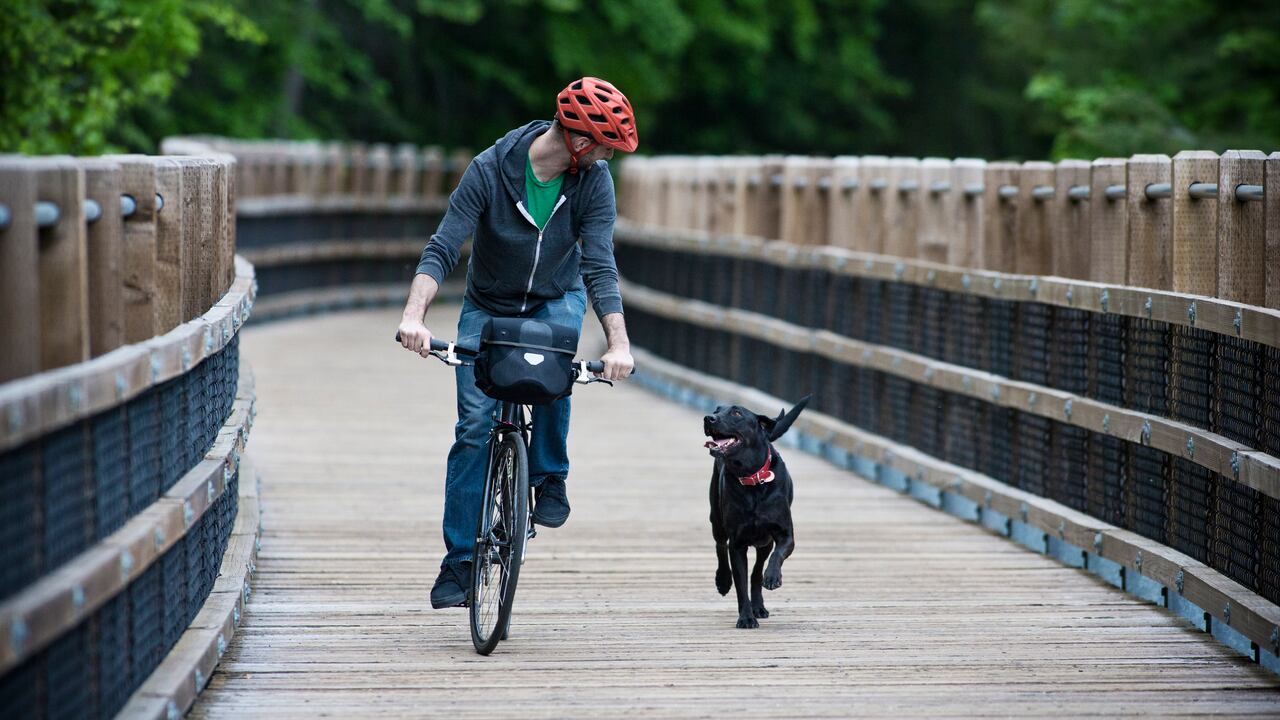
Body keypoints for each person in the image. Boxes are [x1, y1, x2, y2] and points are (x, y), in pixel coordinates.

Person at [397, 77, 639, 609]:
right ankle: (460, 561)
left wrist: (618, 344)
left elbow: (600, 265)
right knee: (474, 427)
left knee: (555, 365)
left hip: (556, 295)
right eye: (605, 147)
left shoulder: (593, 182)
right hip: (489, 303)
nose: (608, 158)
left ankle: (549, 475)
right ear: (579, 141)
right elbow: (443, 246)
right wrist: (414, 316)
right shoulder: (490, 169)